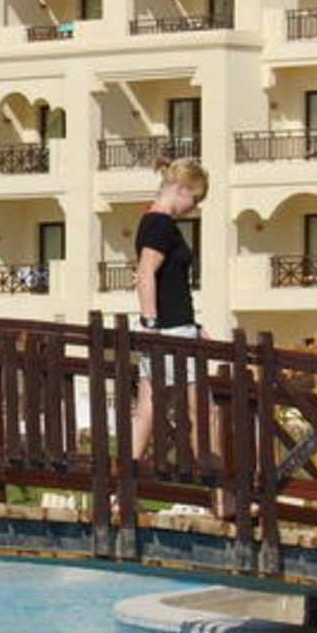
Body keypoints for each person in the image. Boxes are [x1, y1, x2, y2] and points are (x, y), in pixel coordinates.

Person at [129, 156, 208, 463]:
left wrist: (195, 327)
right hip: (171, 331)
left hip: (173, 327)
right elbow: (146, 271)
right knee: (202, 411)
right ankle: (216, 483)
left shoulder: (151, 221)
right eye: (195, 199)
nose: (194, 207)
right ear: (182, 188)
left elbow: (165, 282)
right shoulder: (161, 224)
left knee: (149, 407)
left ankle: (122, 479)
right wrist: (151, 323)